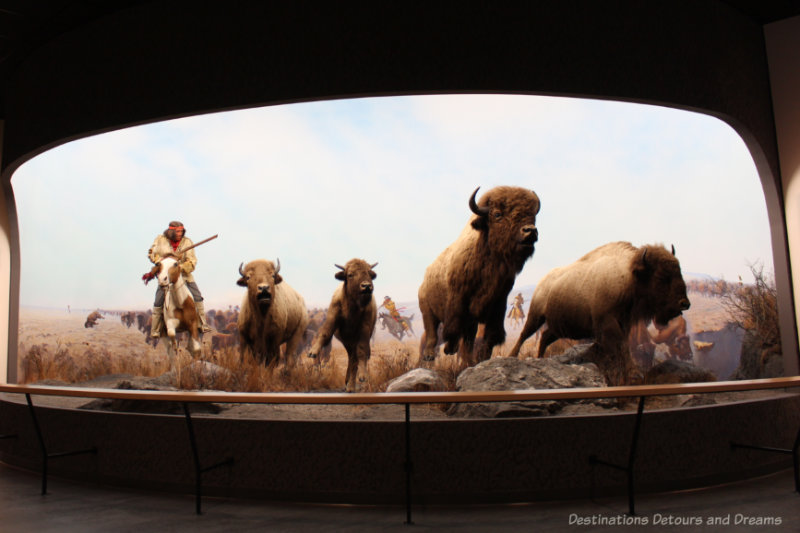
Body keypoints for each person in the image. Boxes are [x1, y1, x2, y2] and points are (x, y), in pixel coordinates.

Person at [148, 220, 211, 337]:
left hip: (184, 277)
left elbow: (192, 262)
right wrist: (162, 262)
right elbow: (151, 253)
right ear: (170, 232)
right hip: (165, 277)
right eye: (177, 231)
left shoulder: (187, 242)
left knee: (197, 296)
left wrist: (177, 267)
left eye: (181, 231)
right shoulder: (160, 240)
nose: (180, 233)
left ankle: (202, 323)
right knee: (158, 301)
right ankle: (155, 329)